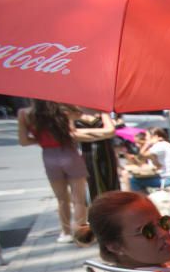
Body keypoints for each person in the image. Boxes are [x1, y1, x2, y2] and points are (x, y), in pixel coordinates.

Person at [17, 100, 112, 243]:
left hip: (48, 156)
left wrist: (41, 140)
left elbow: (23, 141)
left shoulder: (24, 114)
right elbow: (75, 125)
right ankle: (80, 233)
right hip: (69, 153)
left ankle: (65, 233)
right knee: (79, 199)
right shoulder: (63, 111)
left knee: (61, 199)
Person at [72, 109, 119, 201]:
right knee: (94, 184)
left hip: (106, 153)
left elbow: (111, 130)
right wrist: (103, 133)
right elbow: (73, 134)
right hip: (87, 154)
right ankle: (99, 211)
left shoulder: (102, 110)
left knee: (111, 183)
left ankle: (114, 212)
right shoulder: (72, 111)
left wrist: (84, 132)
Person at [130, 127, 170, 192]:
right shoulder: (165, 145)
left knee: (134, 181)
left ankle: (142, 200)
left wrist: (147, 144)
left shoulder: (160, 145)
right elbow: (158, 165)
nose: (146, 138)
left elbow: (142, 155)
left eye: (147, 136)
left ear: (155, 136)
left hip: (169, 179)